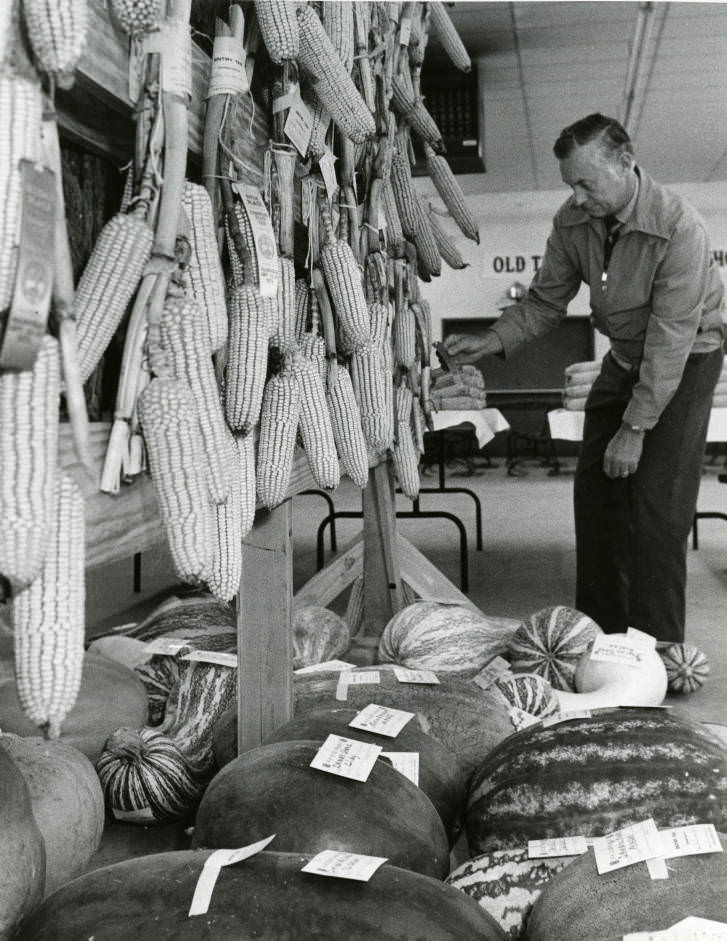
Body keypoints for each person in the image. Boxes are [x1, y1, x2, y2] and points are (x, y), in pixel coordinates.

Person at [443, 113, 725, 643]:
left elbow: (670, 337)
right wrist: (492, 340)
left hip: (686, 359)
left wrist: (635, 429)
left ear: (625, 163)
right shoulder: (572, 223)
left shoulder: (679, 227)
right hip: (624, 355)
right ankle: (595, 639)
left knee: (659, 510)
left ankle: (654, 648)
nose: (576, 196)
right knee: (596, 496)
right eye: (570, 184)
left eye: (586, 183)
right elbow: (546, 302)